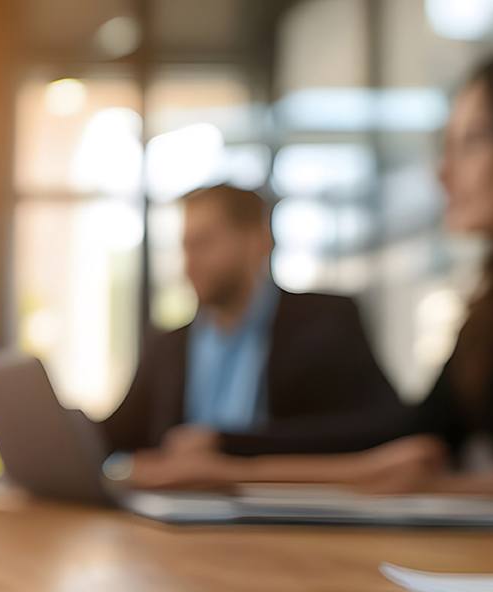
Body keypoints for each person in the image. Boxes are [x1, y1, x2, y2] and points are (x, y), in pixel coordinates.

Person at [127, 60, 493, 493]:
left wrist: (230, 462)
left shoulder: (325, 322)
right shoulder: (482, 319)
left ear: (256, 242)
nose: (443, 172)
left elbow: (397, 444)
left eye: (473, 140)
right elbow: (414, 436)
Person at [101, 184, 401, 466]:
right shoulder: (168, 346)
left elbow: (380, 427)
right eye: (186, 246)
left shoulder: (326, 323)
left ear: (258, 241)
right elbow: (113, 435)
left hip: (284, 512)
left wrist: (226, 443)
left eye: (204, 243)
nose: (189, 263)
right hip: (175, 514)